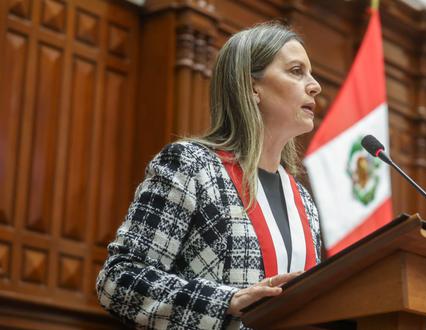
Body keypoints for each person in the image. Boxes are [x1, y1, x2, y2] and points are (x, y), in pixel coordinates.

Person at [96, 21, 322, 329]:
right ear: (252, 86)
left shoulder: (305, 202)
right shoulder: (191, 166)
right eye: (296, 71)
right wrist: (227, 302)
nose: (314, 85)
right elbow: (118, 279)